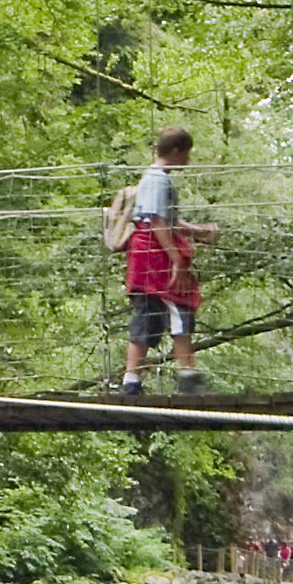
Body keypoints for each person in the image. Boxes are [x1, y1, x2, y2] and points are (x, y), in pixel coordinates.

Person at [112, 127, 209, 399]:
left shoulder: (154, 179)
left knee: (149, 313)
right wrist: (176, 259)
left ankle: (132, 382)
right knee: (178, 305)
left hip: (150, 252)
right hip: (155, 255)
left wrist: (199, 231)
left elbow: (168, 220)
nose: (188, 160)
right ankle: (187, 376)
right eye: (187, 154)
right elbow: (156, 221)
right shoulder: (158, 180)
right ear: (177, 151)